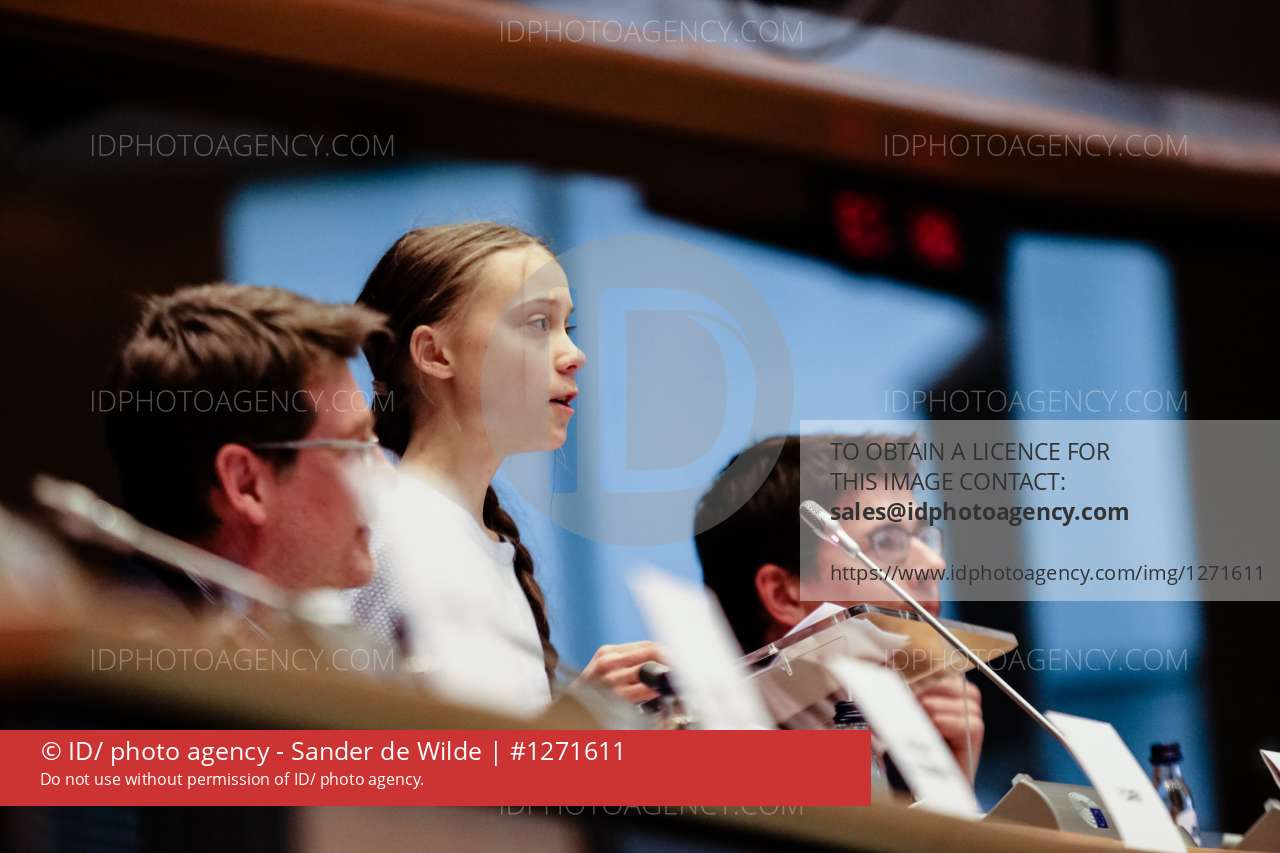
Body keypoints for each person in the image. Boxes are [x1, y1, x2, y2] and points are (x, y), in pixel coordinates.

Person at [352, 222, 661, 714]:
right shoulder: (392, 536)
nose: (574, 355)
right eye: (538, 324)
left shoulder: (466, 534)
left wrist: (581, 714)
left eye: (567, 328)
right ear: (435, 353)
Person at [694, 433, 984, 777]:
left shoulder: (897, 737)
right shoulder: (701, 759)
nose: (935, 564)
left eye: (924, 538)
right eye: (887, 542)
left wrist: (947, 785)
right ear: (784, 594)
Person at [103, 282, 389, 609]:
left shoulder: (261, 620)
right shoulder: (140, 635)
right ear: (246, 483)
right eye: (354, 448)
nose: (386, 474)